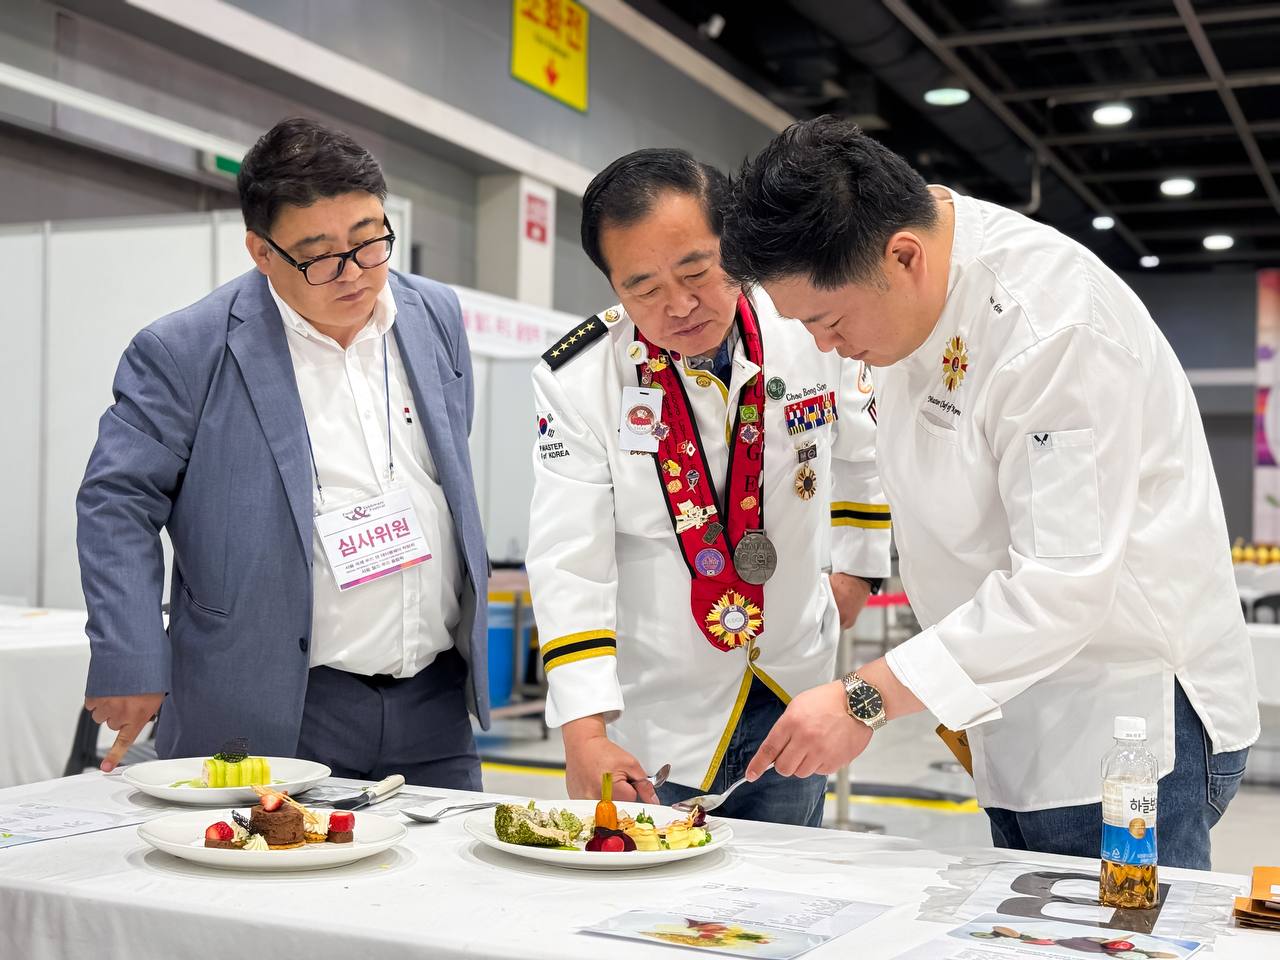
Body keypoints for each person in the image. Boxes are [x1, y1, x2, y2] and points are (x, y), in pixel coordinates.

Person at [721, 116, 1259, 866]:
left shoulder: (1051, 330)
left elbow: (1063, 583)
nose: (824, 346)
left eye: (830, 321)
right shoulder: (910, 290)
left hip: (1120, 716)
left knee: (1115, 929)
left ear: (903, 256)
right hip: (1010, 708)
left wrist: (865, 698)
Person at [77, 118, 489, 789]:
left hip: (434, 703)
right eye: (319, 256)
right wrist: (130, 654)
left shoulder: (433, 314)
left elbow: (447, 465)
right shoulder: (187, 349)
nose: (354, 274)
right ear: (261, 252)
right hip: (271, 703)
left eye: (369, 241)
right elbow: (116, 503)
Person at [525, 148, 891, 825]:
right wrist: (583, 731)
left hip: (792, 686)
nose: (681, 305)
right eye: (644, 289)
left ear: (736, 245)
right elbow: (569, 560)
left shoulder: (802, 323)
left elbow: (863, 451)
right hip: (662, 715)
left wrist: (857, 575)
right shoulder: (578, 381)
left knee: (791, 883)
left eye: (697, 271)